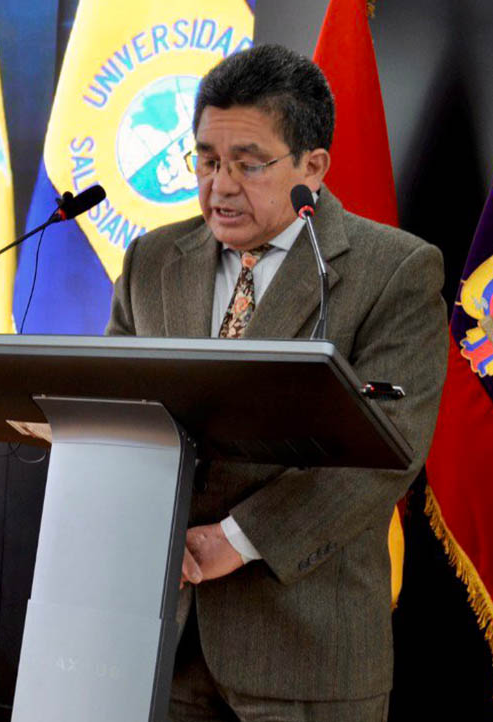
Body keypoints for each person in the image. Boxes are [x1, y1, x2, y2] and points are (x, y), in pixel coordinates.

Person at [106, 45, 447, 720]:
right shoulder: (151, 259)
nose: (219, 186)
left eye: (248, 164)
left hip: (306, 647)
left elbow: (385, 452)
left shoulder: (395, 270)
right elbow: (120, 413)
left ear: (311, 167)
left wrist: (231, 541)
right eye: (205, 160)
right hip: (160, 637)